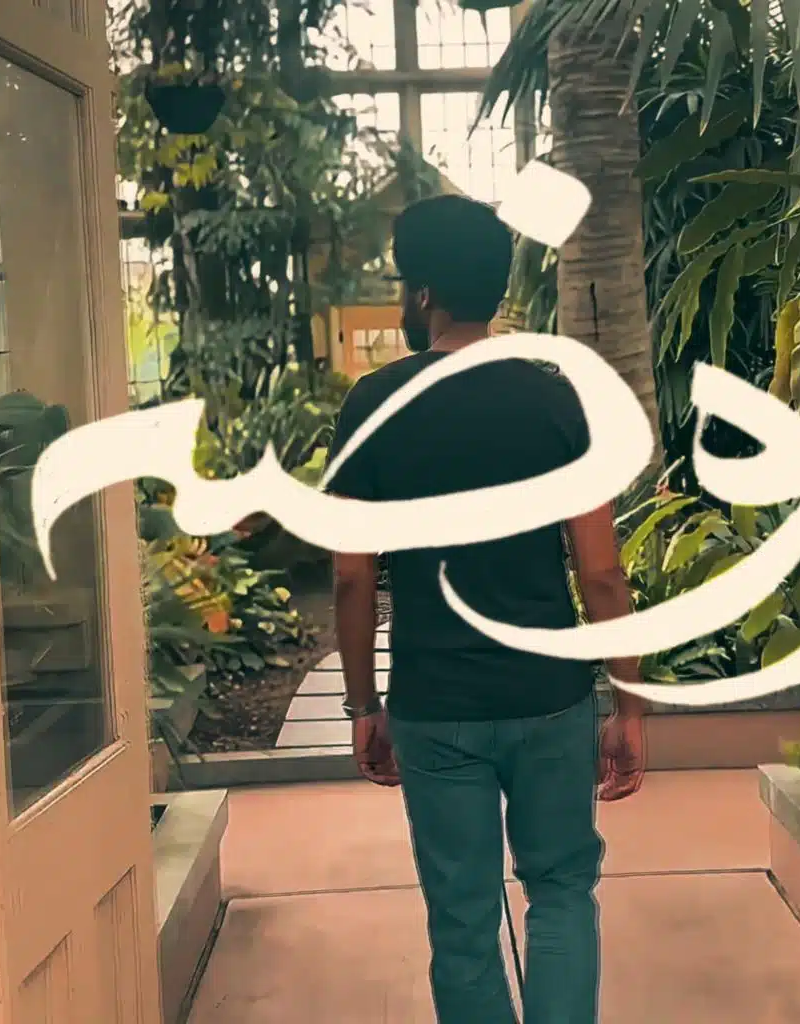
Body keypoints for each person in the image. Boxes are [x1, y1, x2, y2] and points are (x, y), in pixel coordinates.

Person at [325, 193, 647, 1024]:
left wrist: (363, 706)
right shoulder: (557, 401)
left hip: (435, 704)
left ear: (426, 295)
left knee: (463, 919)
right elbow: (601, 573)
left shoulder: (372, 405)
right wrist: (628, 704)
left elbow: (353, 578)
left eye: (404, 285)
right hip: (550, 700)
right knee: (562, 890)